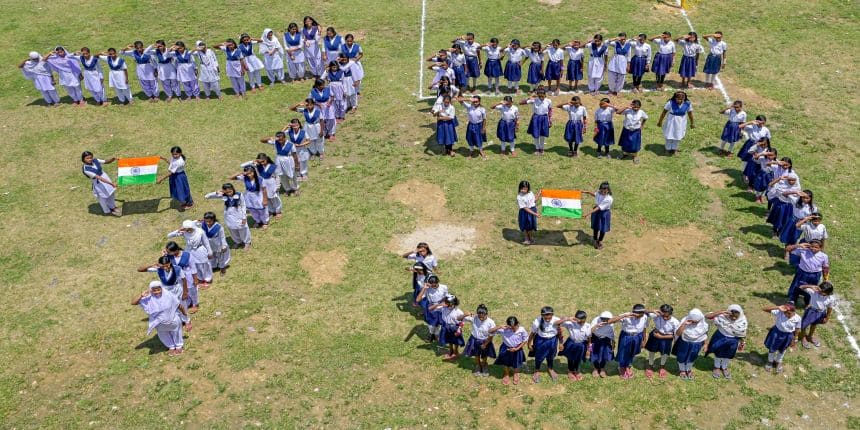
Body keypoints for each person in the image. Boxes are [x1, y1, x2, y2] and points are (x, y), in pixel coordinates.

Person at [132, 281, 187, 356]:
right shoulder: (148, 299)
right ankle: (171, 347)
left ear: (161, 288)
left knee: (176, 332)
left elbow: (178, 305)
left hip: (173, 320)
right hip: (159, 323)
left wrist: (184, 314)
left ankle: (179, 346)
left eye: (158, 289)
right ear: (151, 290)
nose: (157, 292)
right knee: (163, 335)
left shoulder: (169, 295)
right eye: (154, 290)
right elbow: (133, 302)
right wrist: (141, 295)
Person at [601, 304, 649, 379]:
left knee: (632, 352)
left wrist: (644, 339)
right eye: (636, 313)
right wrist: (624, 316)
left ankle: (628, 365)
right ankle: (621, 367)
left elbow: (644, 328)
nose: (639, 315)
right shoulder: (627, 317)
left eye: (641, 314)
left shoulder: (644, 317)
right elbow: (610, 321)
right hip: (627, 336)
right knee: (624, 352)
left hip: (638, 336)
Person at [167, 220, 214, 288]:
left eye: (189, 229)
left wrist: (210, 252)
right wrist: (178, 230)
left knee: (203, 265)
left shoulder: (200, 231)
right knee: (193, 266)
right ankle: (199, 280)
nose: (188, 231)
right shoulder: (184, 232)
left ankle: (206, 279)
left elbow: (206, 242)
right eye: (187, 229)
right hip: (190, 251)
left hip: (200, 250)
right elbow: (169, 236)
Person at [204, 183, 252, 250]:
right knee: (232, 229)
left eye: (230, 191)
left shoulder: (239, 194)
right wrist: (216, 192)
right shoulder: (223, 195)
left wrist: (244, 217)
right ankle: (238, 242)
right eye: (227, 192)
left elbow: (243, 205)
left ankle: (247, 242)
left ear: (233, 189)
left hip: (238, 214)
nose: (229, 193)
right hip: (228, 216)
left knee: (243, 229)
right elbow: (207, 196)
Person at [705, 305, 747, 379]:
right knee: (718, 353)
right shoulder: (722, 317)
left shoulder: (742, 321)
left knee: (728, 354)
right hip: (720, 337)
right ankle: (717, 367)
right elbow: (707, 316)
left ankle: (724, 367)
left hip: (733, 340)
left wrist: (742, 342)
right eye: (732, 314)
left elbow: (742, 333)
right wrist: (720, 312)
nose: (733, 317)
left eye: (736, 314)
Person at [786, 241, 830, 306]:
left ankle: (807, 303)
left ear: (820, 248)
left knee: (811, 290)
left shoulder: (824, 256)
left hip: (814, 275)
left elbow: (825, 267)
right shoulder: (803, 251)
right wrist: (799, 245)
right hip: (802, 273)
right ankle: (792, 301)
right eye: (812, 246)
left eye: (816, 247)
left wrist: (825, 278)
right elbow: (788, 249)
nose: (813, 248)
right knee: (796, 287)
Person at [490, 316, 529, 385]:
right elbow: (490, 331)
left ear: (518, 324)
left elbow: (525, 340)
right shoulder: (504, 330)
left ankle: (516, 373)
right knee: (506, 362)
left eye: (515, 327)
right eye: (511, 328)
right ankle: (506, 373)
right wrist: (499, 327)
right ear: (508, 326)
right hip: (506, 348)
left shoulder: (521, 330)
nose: (513, 329)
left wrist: (517, 348)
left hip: (517, 349)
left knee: (516, 362)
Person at [763, 304, 801, 373]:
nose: (786, 315)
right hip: (776, 333)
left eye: (789, 313)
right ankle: (770, 361)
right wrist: (777, 307)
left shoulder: (797, 318)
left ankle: (778, 361)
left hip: (788, 335)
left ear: (793, 312)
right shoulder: (780, 312)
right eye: (785, 313)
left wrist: (795, 339)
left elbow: (797, 329)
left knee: (783, 349)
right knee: (772, 348)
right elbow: (764, 309)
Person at [643, 304, 679, 379]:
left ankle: (662, 366)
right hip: (655, 335)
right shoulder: (657, 315)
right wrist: (653, 311)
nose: (665, 318)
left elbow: (675, 335)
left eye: (667, 316)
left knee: (664, 353)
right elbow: (643, 312)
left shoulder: (675, 322)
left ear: (671, 314)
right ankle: (650, 365)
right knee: (652, 351)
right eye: (663, 316)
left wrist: (662, 336)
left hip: (667, 338)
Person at [460, 304, 496, 376]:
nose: (481, 319)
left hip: (485, 341)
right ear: (477, 314)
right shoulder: (474, 318)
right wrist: (464, 314)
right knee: (476, 354)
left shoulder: (491, 322)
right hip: (474, 339)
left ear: (486, 314)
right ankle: (478, 366)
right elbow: (458, 319)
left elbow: (491, 336)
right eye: (480, 317)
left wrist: (485, 344)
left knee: (485, 355)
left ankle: (484, 364)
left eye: (483, 317)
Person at [261, 130, 301, 197]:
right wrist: (272, 137)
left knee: (293, 175)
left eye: (281, 139)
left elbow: (295, 155)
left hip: (289, 160)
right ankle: (287, 189)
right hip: (279, 160)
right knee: (282, 175)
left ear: (285, 138)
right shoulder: (275, 142)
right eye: (279, 139)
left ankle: (295, 188)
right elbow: (262, 140)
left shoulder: (290, 145)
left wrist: (297, 165)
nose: (280, 141)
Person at [242, 154, 282, 219]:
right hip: (262, 184)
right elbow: (242, 165)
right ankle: (271, 210)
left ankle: (278, 211)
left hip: (271, 183)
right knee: (266, 198)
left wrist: (278, 186)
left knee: (274, 198)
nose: (262, 163)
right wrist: (253, 161)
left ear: (266, 159)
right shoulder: (257, 166)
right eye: (260, 162)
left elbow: (277, 177)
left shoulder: (273, 166)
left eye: (263, 161)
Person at [528, 306, 562, 383]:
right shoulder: (537, 322)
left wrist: (561, 343)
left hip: (553, 341)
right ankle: (537, 370)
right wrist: (529, 344)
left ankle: (550, 369)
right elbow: (532, 333)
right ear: (542, 315)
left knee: (551, 356)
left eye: (549, 316)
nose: (547, 318)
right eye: (545, 316)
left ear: (552, 314)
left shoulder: (556, 320)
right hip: (541, 341)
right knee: (539, 357)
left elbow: (560, 332)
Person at [80, 151, 120, 216]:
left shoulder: (95, 160)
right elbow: (99, 178)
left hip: (105, 177)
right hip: (98, 182)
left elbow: (105, 161)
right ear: (83, 159)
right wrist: (111, 184)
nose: (90, 159)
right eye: (87, 158)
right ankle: (107, 211)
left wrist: (112, 159)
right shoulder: (86, 169)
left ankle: (113, 207)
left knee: (111, 193)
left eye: (91, 157)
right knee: (103, 197)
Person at [164, 241, 199, 313]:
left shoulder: (187, 255)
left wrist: (195, 279)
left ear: (176, 250)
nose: (168, 253)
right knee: (182, 290)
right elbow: (164, 264)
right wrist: (164, 255)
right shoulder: (169, 257)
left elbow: (193, 267)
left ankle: (195, 304)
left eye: (169, 252)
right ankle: (188, 302)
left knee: (192, 290)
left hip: (188, 276)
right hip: (178, 277)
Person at [673, 309, 709, 380]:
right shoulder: (685, 321)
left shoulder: (703, 324)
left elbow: (704, 334)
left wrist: (705, 344)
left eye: (696, 322)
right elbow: (678, 333)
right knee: (682, 356)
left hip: (697, 344)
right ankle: (682, 370)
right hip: (684, 342)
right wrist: (684, 324)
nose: (693, 323)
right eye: (692, 321)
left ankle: (688, 369)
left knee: (692, 357)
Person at [799, 282, 836, 349]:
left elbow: (829, 308)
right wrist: (811, 286)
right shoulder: (814, 292)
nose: (819, 291)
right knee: (804, 325)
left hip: (820, 313)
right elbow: (801, 287)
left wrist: (827, 318)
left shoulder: (831, 298)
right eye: (819, 289)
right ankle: (803, 337)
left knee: (814, 324)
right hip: (811, 311)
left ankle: (810, 336)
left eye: (822, 291)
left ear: (827, 293)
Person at [656, 91, 694, 155]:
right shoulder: (670, 103)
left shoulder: (688, 104)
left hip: (681, 122)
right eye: (678, 99)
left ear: (684, 98)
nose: (680, 101)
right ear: (675, 98)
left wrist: (692, 123)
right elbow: (663, 113)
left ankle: (674, 149)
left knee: (678, 135)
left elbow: (690, 114)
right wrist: (660, 122)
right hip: (671, 121)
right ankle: (667, 149)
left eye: (682, 99)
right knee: (669, 134)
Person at [559, 310, 591, 381]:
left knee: (578, 359)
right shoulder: (571, 323)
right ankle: (570, 371)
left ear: (585, 319)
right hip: (571, 343)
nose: (580, 322)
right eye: (578, 320)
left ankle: (577, 371)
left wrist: (589, 349)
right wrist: (568, 318)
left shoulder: (588, 326)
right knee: (570, 358)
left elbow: (589, 339)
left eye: (582, 320)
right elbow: (559, 322)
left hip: (581, 344)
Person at [431, 295, 465, 360]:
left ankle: (456, 352)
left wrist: (459, 330)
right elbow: (431, 308)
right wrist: (439, 304)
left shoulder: (458, 311)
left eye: (450, 304)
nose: (448, 306)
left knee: (456, 341)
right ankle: (451, 350)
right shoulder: (443, 308)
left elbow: (462, 321)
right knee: (449, 340)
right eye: (447, 303)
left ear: (454, 303)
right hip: (446, 326)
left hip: (455, 327)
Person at [416, 275, 448, 343]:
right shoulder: (427, 289)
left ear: (438, 282)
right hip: (431, 308)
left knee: (439, 324)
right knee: (431, 325)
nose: (434, 286)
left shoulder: (444, 287)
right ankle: (431, 334)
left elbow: (446, 296)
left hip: (441, 308)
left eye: (435, 285)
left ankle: (436, 335)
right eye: (432, 285)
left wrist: (445, 304)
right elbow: (418, 299)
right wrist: (424, 288)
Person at [521, 88, 552, 155]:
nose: (541, 98)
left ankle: (542, 148)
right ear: (537, 95)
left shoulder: (548, 101)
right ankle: (537, 148)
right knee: (536, 134)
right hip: (536, 118)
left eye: (542, 96)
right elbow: (521, 103)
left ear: (545, 95)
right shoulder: (534, 100)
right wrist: (529, 98)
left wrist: (550, 120)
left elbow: (550, 110)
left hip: (544, 118)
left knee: (542, 134)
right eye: (539, 96)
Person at [584, 182, 613, 249]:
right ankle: (595, 240)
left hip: (604, 214)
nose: (602, 192)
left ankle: (600, 241)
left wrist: (588, 213)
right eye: (601, 190)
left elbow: (599, 207)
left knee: (603, 228)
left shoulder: (609, 199)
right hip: (596, 212)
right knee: (596, 227)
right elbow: (595, 194)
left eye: (604, 191)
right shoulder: (599, 193)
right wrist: (587, 192)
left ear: (608, 190)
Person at [589, 311, 615, 378]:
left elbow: (612, 334)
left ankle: (602, 368)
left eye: (607, 319)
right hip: (595, 339)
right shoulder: (595, 320)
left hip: (605, 340)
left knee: (604, 355)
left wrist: (613, 344)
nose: (604, 321)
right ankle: (596, 368)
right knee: (594, 354)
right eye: (603, 319)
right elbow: (590, 332)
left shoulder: (611, 323)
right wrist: (596, 326)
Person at [517, 181, 539, 245]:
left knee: (531, 226)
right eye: (522, 188)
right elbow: (525, 208)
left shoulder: (530, 193)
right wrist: (534, 214)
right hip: (525, 212)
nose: (523, 190)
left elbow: (534, 200)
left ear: (528, 188)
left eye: (525, 189)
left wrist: (539, 194)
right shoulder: (519, 197)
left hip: (532, 210)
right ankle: (528, 238)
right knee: (526, 226)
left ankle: (529, 237)